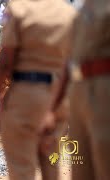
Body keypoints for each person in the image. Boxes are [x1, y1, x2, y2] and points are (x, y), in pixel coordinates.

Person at [0, 1, 76, 179]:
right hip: (57, 95)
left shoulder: (18, 8)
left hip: (24, 95)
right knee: (51, 167)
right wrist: (53, 107)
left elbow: (5, 63)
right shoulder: (68, 13)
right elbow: (70, 65)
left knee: (21, 170)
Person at [46, 1, 110, 179]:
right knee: (80, 166)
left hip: (105, 86)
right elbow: (68, 61)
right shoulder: (79, 10)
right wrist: (52, 107)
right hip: (78, 87)